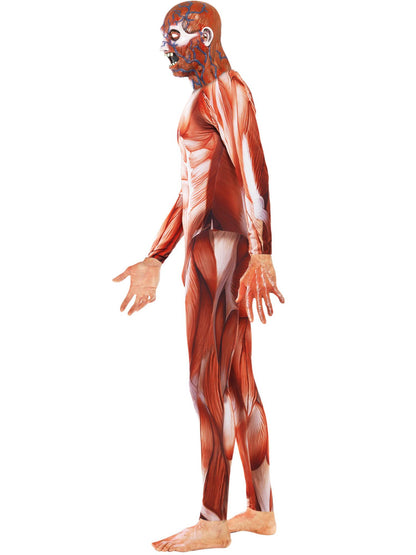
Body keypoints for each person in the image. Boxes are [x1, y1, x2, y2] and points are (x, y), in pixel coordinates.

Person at [113, 2, 285, 551]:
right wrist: (156, 257)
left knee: (206, 383)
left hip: (220, 253)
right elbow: (189, 190)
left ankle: (213, 519)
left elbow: (255, 169)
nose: (166, 47)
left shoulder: (226, 90)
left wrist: (264, 253)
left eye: (175, 36)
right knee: (238, 382)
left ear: (204, 38)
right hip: (214, 249)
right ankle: (261, 510)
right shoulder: (204, 98)